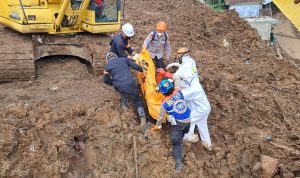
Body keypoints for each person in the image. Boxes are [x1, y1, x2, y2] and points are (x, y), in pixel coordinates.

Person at [167, 47, 212, 151]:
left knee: (188, 117)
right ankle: (208, 144)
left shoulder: (192, 90)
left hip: (200, 110)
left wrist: (168, 86)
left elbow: (178, 96)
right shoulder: (191, 63)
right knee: (202, 126)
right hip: (204, 108)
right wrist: (175, 65)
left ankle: (188, 136)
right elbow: (184, 68)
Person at [151, 79, 191, 172]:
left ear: (162, 92)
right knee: (186, 129)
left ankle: (178, 163)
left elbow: (160, 117)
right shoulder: (179, 91)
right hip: (190, 118)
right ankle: (187, 134)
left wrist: (158, 125)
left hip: (178, 124)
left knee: (176, 142)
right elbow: (177, 79)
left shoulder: (164, 104)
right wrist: (170, 78)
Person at [103, 52, 146, 128]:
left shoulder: (106, 67)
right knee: (137, 100)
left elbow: (105, 80)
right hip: (130, 83)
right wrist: (143, 70)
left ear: (107, 60)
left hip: (119, 85)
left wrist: (113, 82)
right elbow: (136, 66)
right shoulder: (124, 59)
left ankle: (126, 112)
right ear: (116, 57)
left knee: (122, 95)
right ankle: (143, 119)